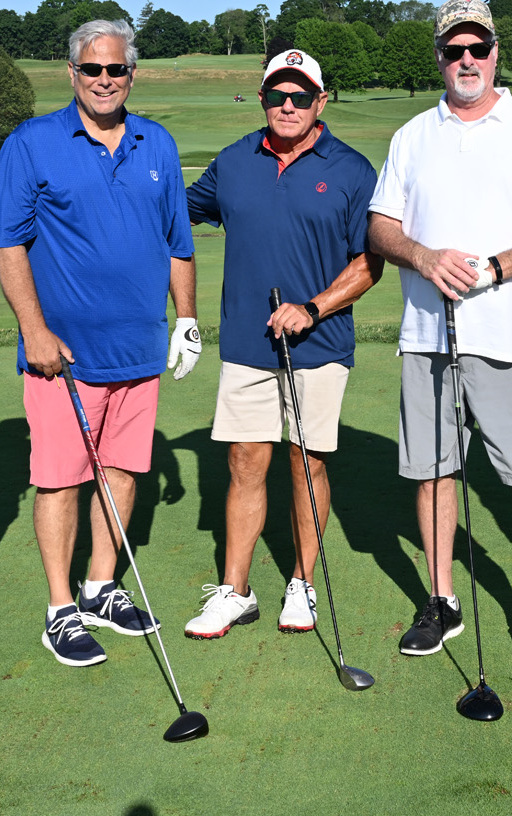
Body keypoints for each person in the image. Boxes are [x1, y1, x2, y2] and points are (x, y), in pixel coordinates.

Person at [367, 0, 512, 674]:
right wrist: (422, 257)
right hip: (428, 336)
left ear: (496, 53)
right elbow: (381, 227)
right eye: (453, 50)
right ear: (438, 57)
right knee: (434, 471)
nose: (466, 60)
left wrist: (494, 268)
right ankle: (442, 599)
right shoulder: (413, 135)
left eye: (478, 48)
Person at [0, 19, 200, 668]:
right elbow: (6, 242)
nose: (104, 80)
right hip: (65, 357)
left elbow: (178, 244)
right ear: (71, 73)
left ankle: (101, 587)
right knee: (61, 482)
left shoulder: (157, 142)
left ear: (133, 74)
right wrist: (34, 330)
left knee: (124, 471)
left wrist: (187, 320)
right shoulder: (32, 143)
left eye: (116, 69)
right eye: (92, 69)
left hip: (139, 348)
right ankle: (61, 610)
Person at [182, 49, 383, 638]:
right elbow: (174, 211)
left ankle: (302, 583)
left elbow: (369, 263)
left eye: (299, 96)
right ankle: (235, 591)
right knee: (245, 462)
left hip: (319, 344)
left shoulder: (350, 169)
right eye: (276, 95)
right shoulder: (234, 161)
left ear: (321, 101)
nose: (287, 106)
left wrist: (314, 307)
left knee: (306, 461)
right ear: (263, 99)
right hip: (247, 342)